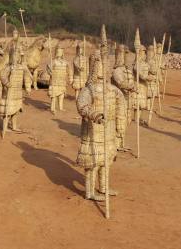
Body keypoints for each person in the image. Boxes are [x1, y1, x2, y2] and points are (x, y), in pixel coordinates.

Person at [76, 51, 125, 201]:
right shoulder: (89, 89)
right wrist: (94, 114)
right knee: (94, 162)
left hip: (109, 131)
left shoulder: (114, 90)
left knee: (107, 161)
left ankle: (103, 187)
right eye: (100, 66)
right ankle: (89, 192)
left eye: (106, 65)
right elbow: (81, 105)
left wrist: (120, 127)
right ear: (94, 68)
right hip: (94, 130)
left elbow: (120, 108)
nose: (104, 69)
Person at [0, 45, 32, 136]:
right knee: (8, 111)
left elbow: (27, 76)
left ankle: (14, 126)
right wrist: (7, 83)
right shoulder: (9, 67)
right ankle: (5, 128)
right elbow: (2, 76)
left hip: (18, 92)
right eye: (15, 56)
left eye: (18, 56)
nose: (17, 58)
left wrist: (28, 87)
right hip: (10, 92)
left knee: (16, 111)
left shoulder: (21, 67)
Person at [111, 45, 135, 149]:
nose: (127, 57)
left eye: (127, 55)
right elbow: (120, 83)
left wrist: (133, 86)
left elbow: (131, 82)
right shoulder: (117, 71)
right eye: (124, 55)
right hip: (118, 100)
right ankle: (116, 144)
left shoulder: (128, 70)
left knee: (126, 121)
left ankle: (121, 143)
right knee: (119, 122)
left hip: (128, 99)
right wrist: (130, 86)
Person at [46, 47, 71, 114]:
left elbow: (68, 70)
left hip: (62, 80)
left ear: (62, 53)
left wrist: (69, 77)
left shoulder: (65, 62)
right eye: (58, 51)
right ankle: (52, 108)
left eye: (60, 52)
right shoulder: (53, 61)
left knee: (61, 95)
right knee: (53, 95)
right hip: (54, 80)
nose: (59, 53)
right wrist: (50, 72)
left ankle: (61, 107)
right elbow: (48, 68)